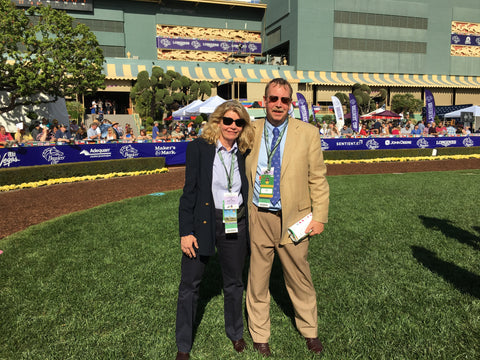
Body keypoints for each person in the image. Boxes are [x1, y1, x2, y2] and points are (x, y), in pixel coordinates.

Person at [245, 78, 329, 357]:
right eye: (273, 99)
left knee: (299, 277)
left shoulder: (308, 132)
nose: (278, 104)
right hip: (259, 215)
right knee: (257, 279)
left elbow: (317, 178)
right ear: (264, 101)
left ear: (290, 103)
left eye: (284, 100)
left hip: (295, 218)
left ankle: (310, 331)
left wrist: (320, 217)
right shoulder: (251, 129)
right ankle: (260, 335)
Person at [175, 100, 254, 360]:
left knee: (234, 282)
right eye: (228, 120)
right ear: (218, 121)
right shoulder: (199, 148)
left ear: (243, 126)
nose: (232, 126)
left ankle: (235, 332)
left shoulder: (243, 151)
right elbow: (189, 193)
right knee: (190, 285)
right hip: (203, 223)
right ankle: (184, 345)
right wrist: (186, 232)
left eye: (238, 122)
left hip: (235, 222)